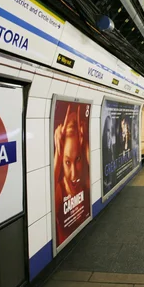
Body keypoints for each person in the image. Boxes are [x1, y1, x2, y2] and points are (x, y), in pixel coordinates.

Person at [53, 104, 90, 244]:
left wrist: (86, 144)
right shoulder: (59, 190)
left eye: (78, 159)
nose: (74, 174)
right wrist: (58, 153)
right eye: (67, 162)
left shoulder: (86, 183)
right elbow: (45, 200)